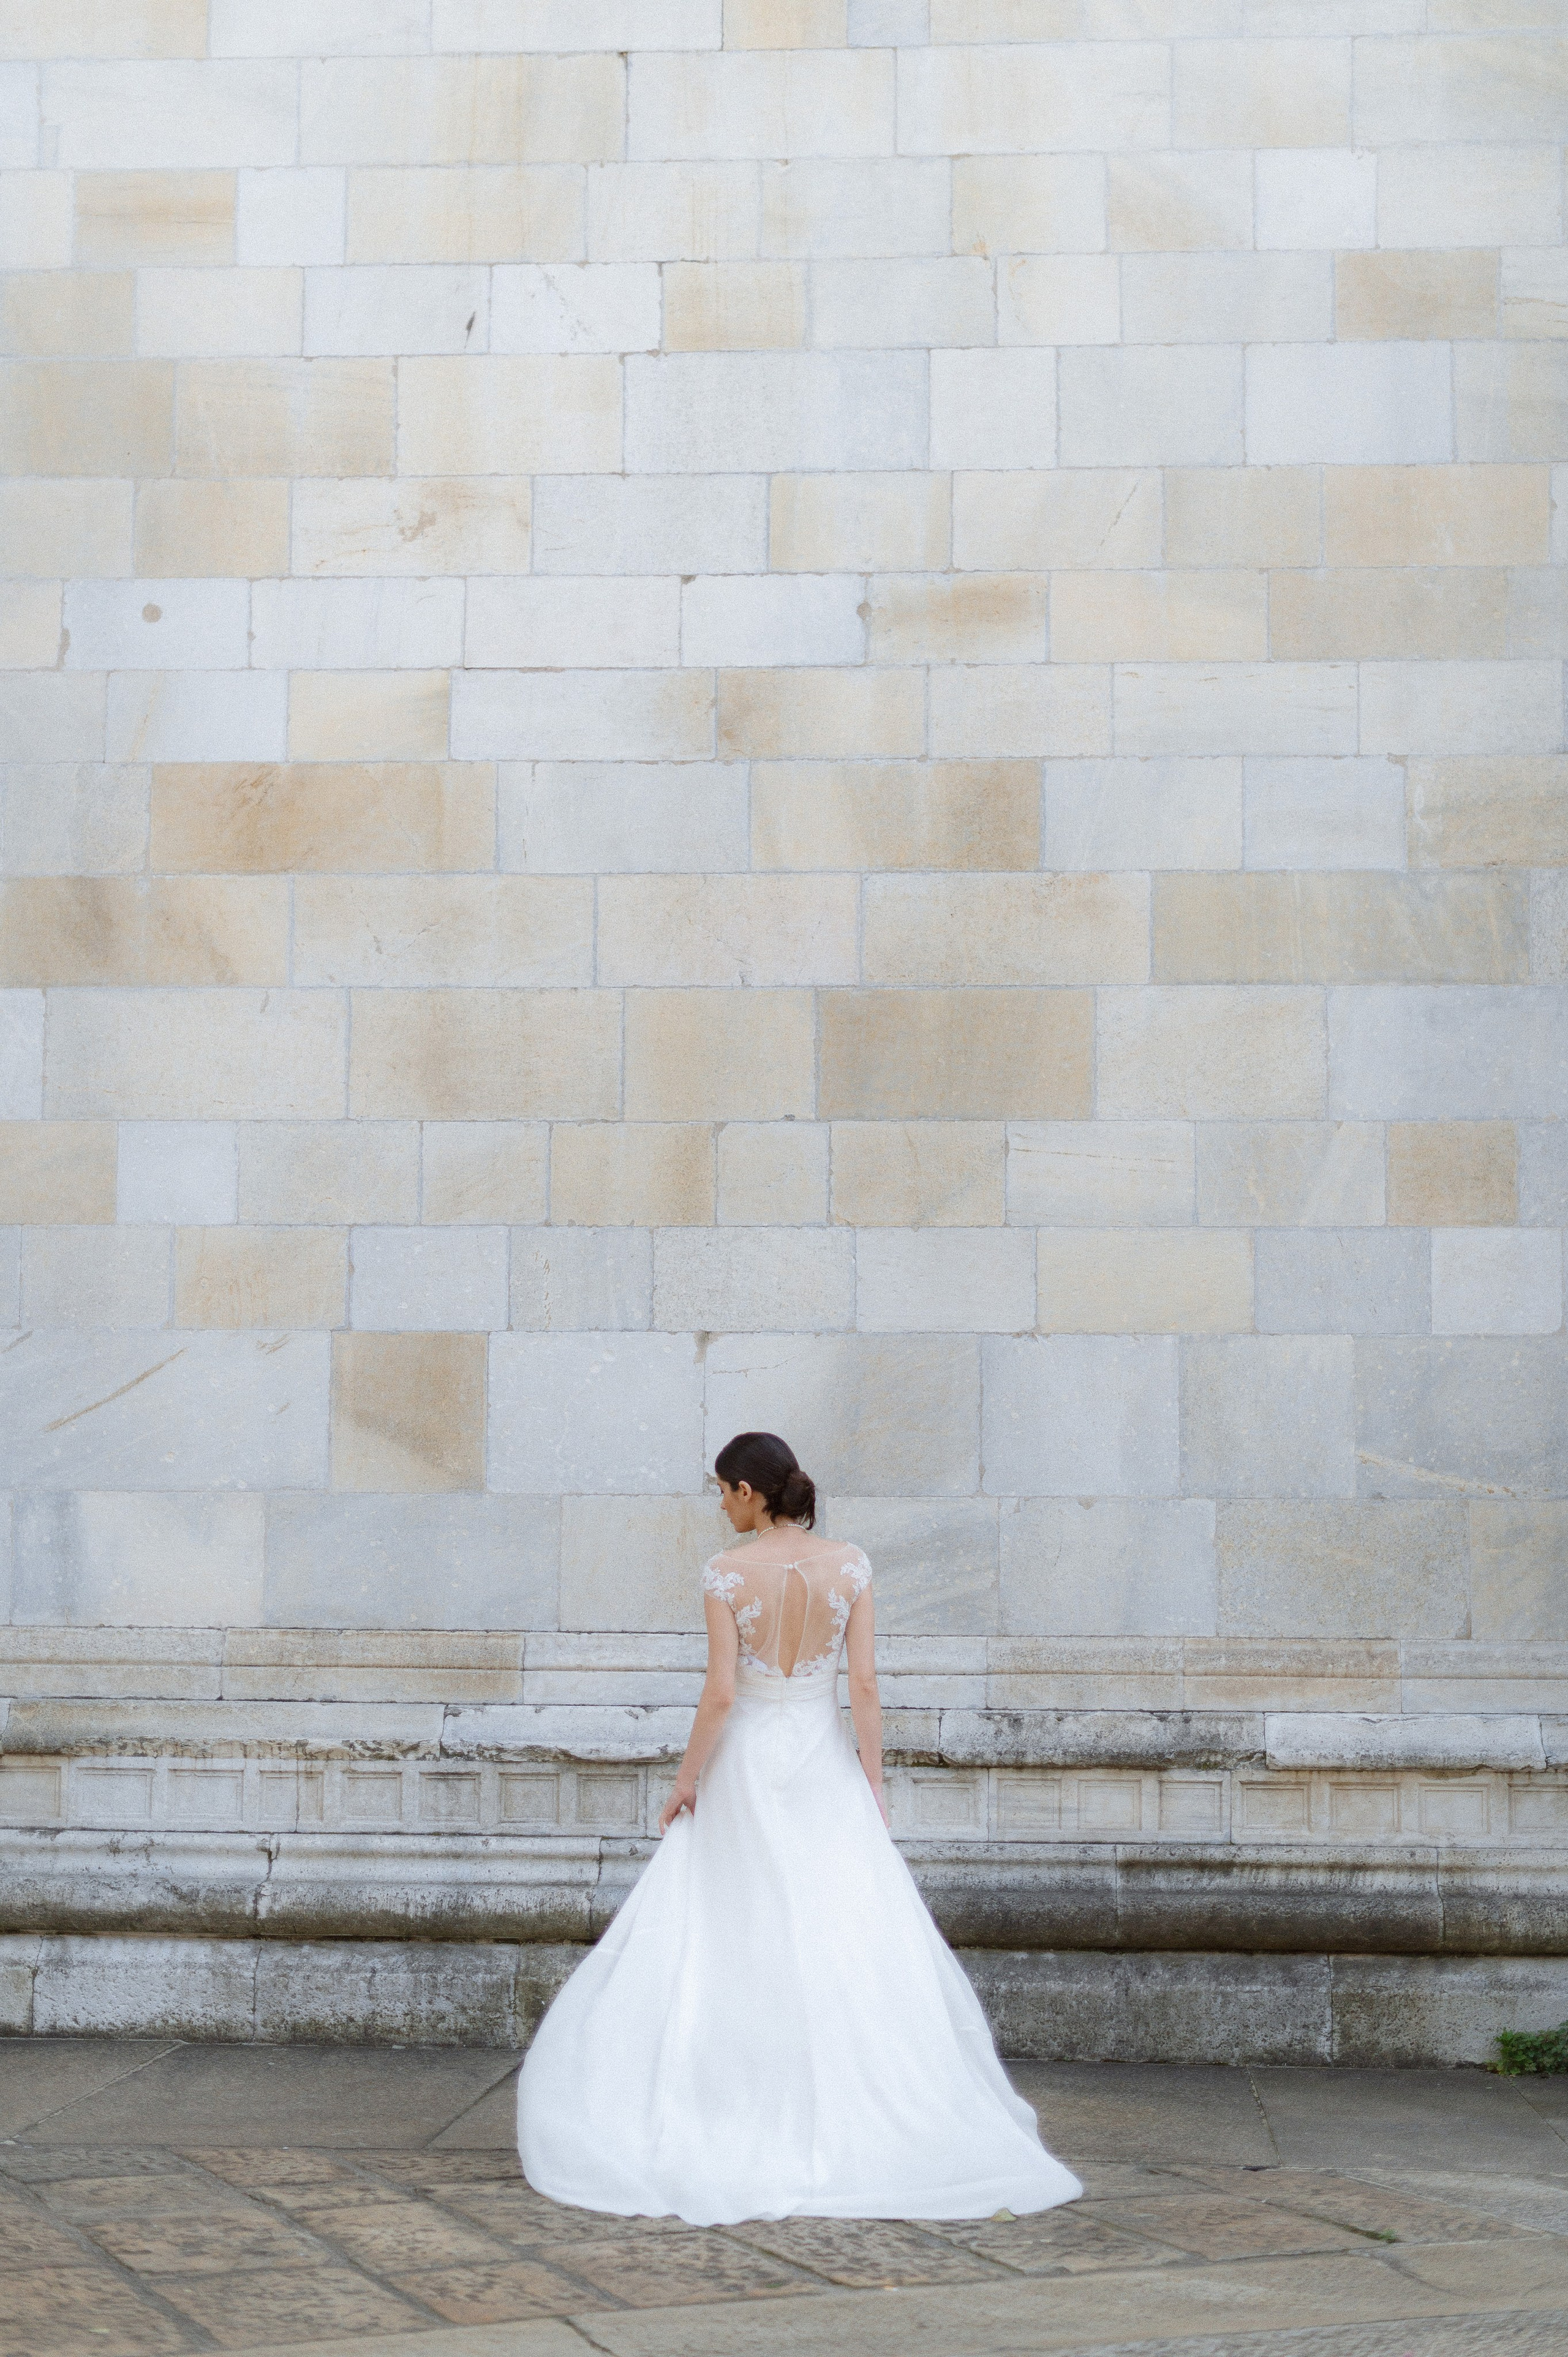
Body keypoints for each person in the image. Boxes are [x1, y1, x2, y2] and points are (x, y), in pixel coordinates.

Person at [516, 1429, 1081, 2227]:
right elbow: (865, 1684)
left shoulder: (725, 1574)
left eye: (722, 1491)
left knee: (732, 1930)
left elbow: (720, 1694)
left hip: (747, 1763)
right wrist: (874, 1787)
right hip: (822, 1765)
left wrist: (685, 1784)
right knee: (840, 1925)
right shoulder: (849, 1565)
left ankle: (730, 2095)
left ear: (750, 1492)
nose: (720, 1506)